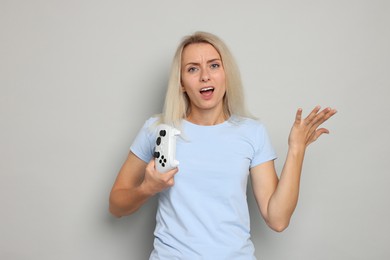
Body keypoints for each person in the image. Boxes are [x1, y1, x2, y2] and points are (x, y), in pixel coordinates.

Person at [109, 31, 337, 259]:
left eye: (214, 65)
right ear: (180, 83)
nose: (205, 76)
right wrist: (147, 188)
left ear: (226, 74)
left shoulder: (252, 132)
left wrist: (297, 149)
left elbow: (277, 220)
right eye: (192, 69)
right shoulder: (157, 129)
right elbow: (116, 205)